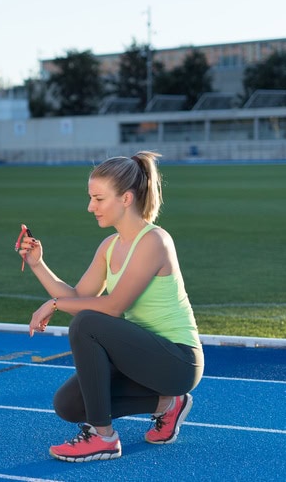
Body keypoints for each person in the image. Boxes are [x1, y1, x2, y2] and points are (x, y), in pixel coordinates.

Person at [16, 151, 204, 462]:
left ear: (126, 198)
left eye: (99, 199)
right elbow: (77, 296)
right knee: (68, 405)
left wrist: (54, 304)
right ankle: (168, 405)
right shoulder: (109, 246)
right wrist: (38, 265)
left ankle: (102, 437)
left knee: (86, 324)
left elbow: (114, 307)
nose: (90, 207)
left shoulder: (154, 241)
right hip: (141, 359)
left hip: (178, 361)